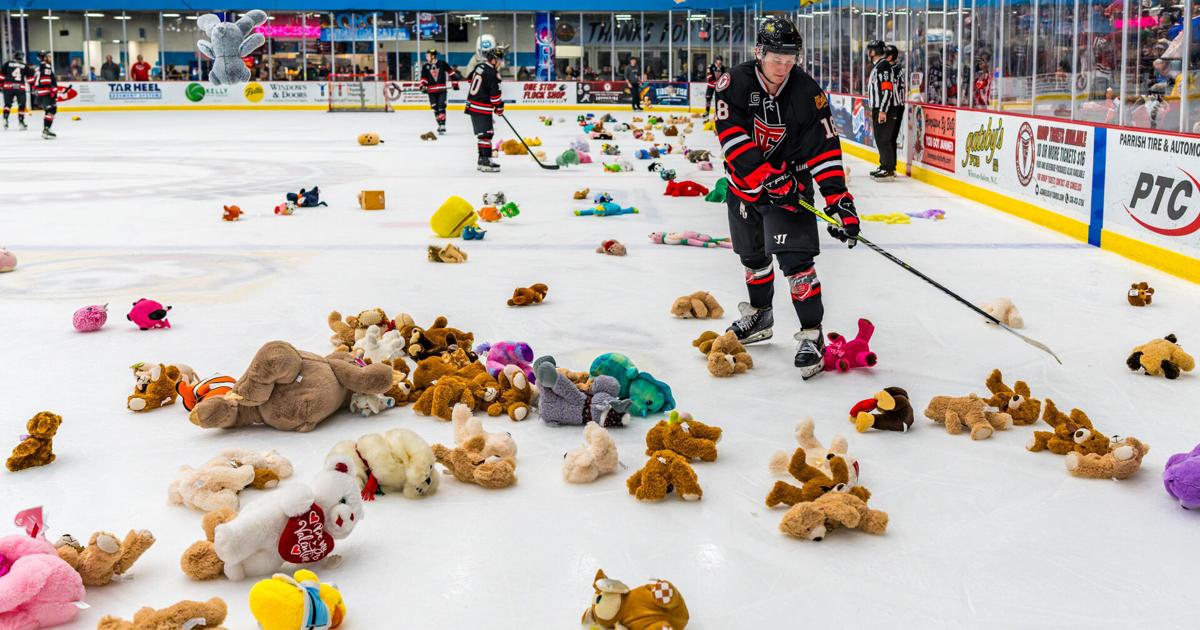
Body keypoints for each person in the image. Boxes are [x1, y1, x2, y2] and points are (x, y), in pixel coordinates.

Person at [714, 16, 861, 380]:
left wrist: (839, 201)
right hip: (745, 188)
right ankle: (760, 316)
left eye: (791, 57)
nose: (784, 65)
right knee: (753, 258)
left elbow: (825, 150)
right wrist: (766, 176)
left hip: (791, 191)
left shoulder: (807, 91)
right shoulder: (733, 83)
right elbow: (730, 136)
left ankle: (812, 335)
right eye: (777, 57)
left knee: (798, 266)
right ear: (759, 53)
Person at [466, 45, 506, 173]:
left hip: (472, 105)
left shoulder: (479, 67)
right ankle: (485, 161)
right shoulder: (493, 74)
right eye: (499, 60)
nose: (500, 62)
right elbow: (495, 97)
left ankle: (481, 159)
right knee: (487, 134)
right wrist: (499, 108)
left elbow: (469, 79)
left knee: (483, 135)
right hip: (481, 107)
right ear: (493, 60)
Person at [866, 40, 897, 179]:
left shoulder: (883, 66)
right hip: (878, 108)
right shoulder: (878, 66)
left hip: (884, 108)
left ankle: (888, 168)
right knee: (879, 138)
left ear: (874, 52)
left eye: (870, 50)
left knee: (884, 138)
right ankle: (884, 165)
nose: (868, 53)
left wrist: (883, 110)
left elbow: (887, 90)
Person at [419, 48, 460, 135]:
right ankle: (439, 124)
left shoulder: (442, 63)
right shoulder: (425, 66)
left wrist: (455, 83)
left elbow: (452, 73)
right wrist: (423, 86)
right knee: (435, 108)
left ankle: (443, 125)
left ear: (433, 56)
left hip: (442, 90)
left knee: (441, 106)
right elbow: (423, 78)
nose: (426, 57)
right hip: (431, 92)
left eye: (428, 55)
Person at [883, 44, 906, 175]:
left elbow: (891, 90)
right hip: (893, 106)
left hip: (895, 107)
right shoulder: (893, 68)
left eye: (885, 54)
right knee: (888, 137)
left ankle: (890, 167)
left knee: (889, 137)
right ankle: (888, 165)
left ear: (890, 56)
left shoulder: (894, 70)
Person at [31, 53, 58, 139]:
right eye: (48, 56)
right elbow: (45, 81)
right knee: (51, 110)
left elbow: (34, 82)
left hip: (40, 92)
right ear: (44, 58)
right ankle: (46, 130)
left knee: (49, 111)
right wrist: (52, 89)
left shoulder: (38, 68)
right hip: (45, 92)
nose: (50, 58)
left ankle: (46, 129)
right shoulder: (46, 66)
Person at [0, 54, 29, 130]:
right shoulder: (24, 65)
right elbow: (30, 78)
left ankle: (5, 119)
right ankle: (21, 121)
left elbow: (2, 76)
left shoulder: (7, 63)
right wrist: (34, 87)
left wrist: (0, 85)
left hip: (8, 86)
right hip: (20, 87)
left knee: (7, 105)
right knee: (22, 105)